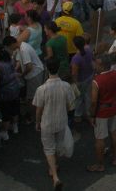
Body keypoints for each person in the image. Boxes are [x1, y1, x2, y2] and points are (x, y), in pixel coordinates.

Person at [33, 58, 74, 190]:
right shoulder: (66, 86)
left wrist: (37, 122)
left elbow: (39, 109)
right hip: (62, 121)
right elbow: (70, 105)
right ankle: (55, 165)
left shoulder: (41, 89)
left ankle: (55, 176)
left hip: (47, 122)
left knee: (48, 148)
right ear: (58, 69)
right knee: (57, 145)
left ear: (47, 69)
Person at [87, 53, 116, 173]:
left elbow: (93, 101)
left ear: (102, 66)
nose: (94, 66)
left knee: (100, 138)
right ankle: (115, 158)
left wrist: (92, 115)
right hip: (114, 107)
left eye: (96, 64)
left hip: (101, 112)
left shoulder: (97, 81)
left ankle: (100, 165)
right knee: (114, 133)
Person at [0, 44, 22, 140]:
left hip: (5, 91)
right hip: (15, 88)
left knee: (5, 111)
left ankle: (5, 132)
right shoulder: (11, 62)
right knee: (15, 108)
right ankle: (15, 127)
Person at [70, 36, 94, 124]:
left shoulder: (76, 58)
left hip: (81, 80)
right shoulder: (89, 50)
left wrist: (75, 83)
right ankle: (89, 114)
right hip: (90, 76)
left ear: (75, 46)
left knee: (79, 98)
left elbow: (74, 73)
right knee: (88, 97)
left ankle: (78, 115)